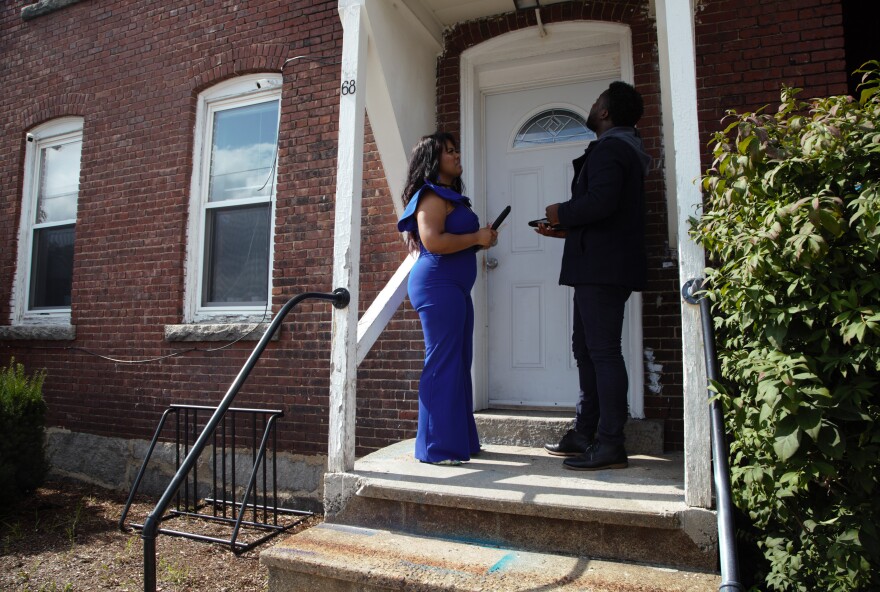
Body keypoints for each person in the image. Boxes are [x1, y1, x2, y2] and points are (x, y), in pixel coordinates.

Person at [536, 81, 651, 471]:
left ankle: (610, 444)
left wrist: (560, 212)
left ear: (605, 112)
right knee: (586, 351)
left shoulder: (612, 149)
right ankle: (584, 433)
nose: (592, 105)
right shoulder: (620, 149)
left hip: (601, 271)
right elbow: (612, 215)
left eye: (596, 101)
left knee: (602, 353)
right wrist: (566, 230)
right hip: (598, 266)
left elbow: (600, 202)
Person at [397, 132, 498, 466]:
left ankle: (460, 442)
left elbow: (457, 240)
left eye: (457, 149)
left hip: (455, 288)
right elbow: (434, 241)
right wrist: (476, 237)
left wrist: (480, 241)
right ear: (434, 160)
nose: (457, 155)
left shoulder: (451, 195)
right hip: (436, 285)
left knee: (459, 362)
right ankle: (435, 448)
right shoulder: (430, 197)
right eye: (450, 151)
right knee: (442, 363)